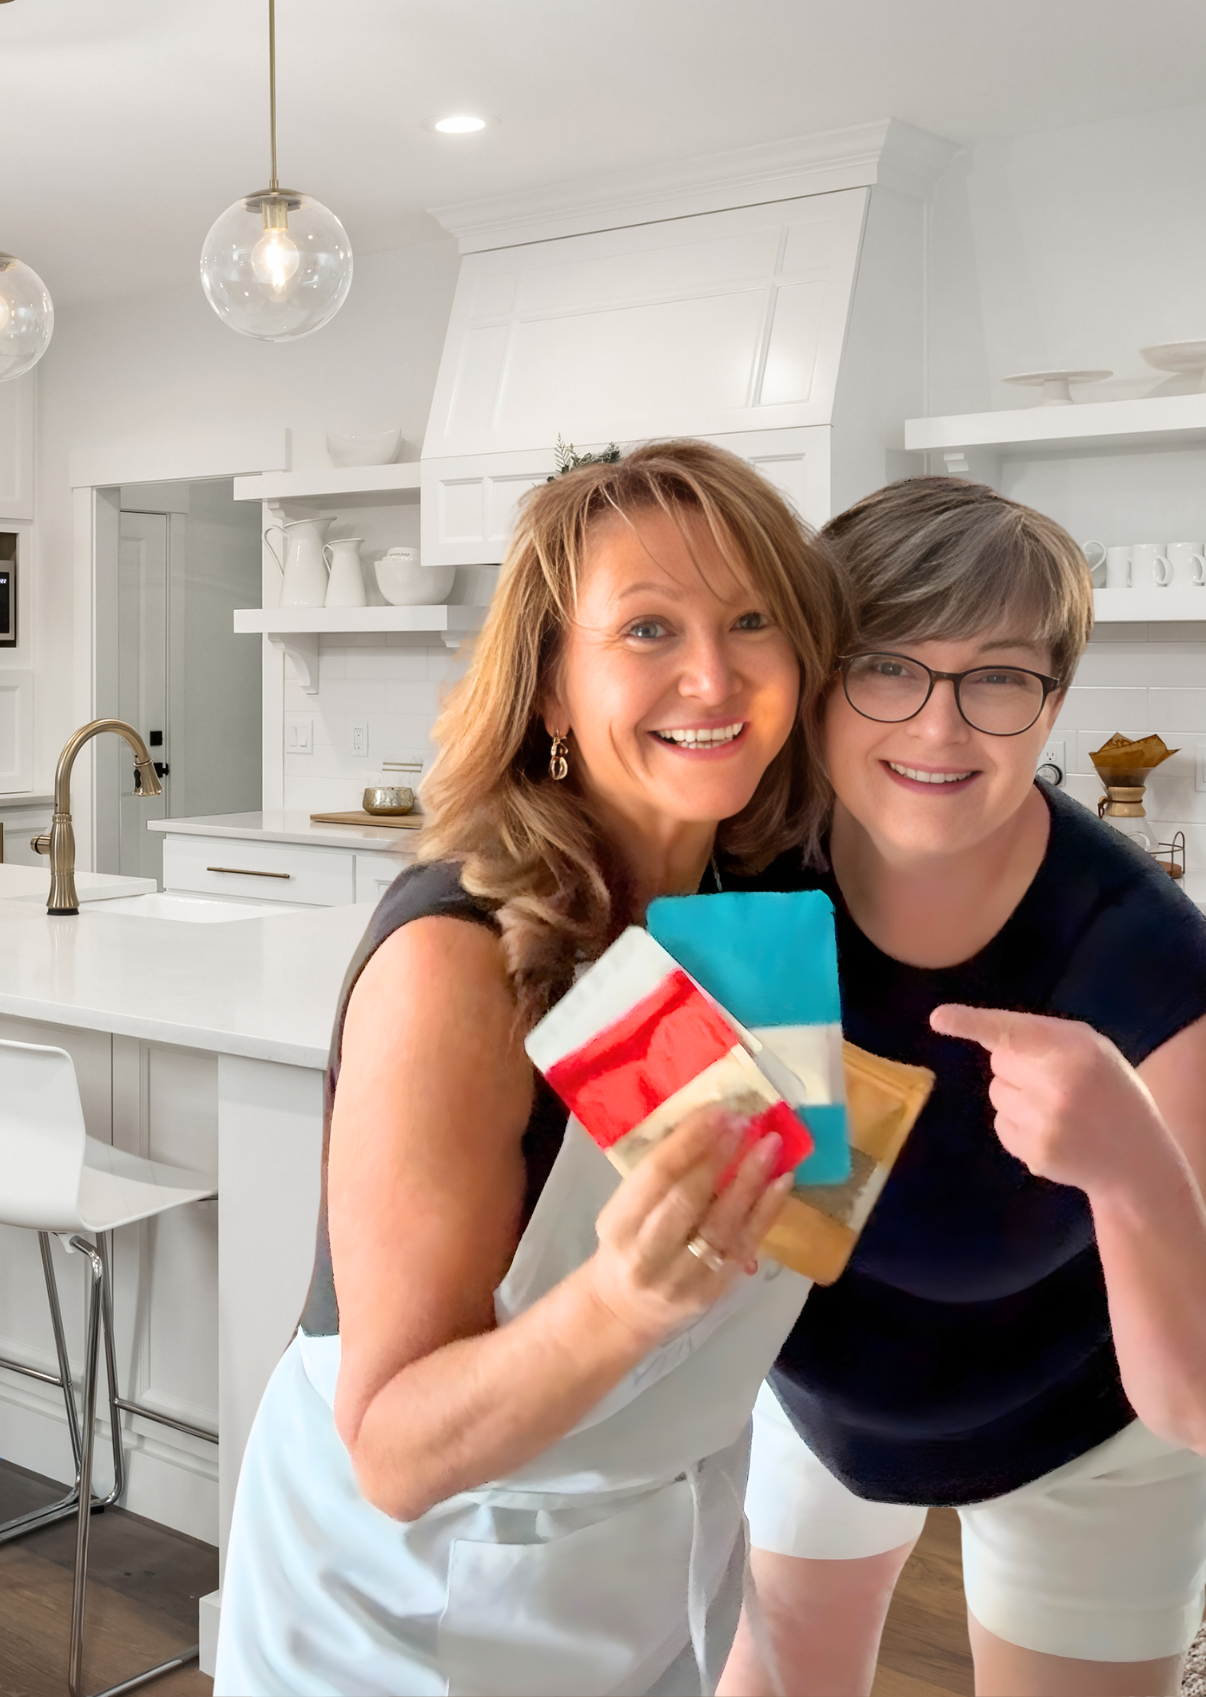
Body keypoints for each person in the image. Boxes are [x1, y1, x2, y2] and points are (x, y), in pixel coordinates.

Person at [213, 439, 853, 1697]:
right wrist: (620, 1300)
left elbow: (767, 1282)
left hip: (653, 1581)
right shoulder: (459, 956)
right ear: (554, 687)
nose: (713, 674)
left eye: (752, 619)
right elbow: (393, 1448)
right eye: (649, 628)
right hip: (406, 1609)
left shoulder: (756, 920)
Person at [718, 476, 1206, 1697]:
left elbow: (1197, 1400)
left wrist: (1132, 1168)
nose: (940, 730)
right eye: (886, 664)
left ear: (1051, 702)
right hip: (819, 1401)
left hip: (1082, 1433)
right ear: (818, 679)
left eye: (997, 677)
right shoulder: (752, 889)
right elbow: (751, 1220)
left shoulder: (1147, 959)